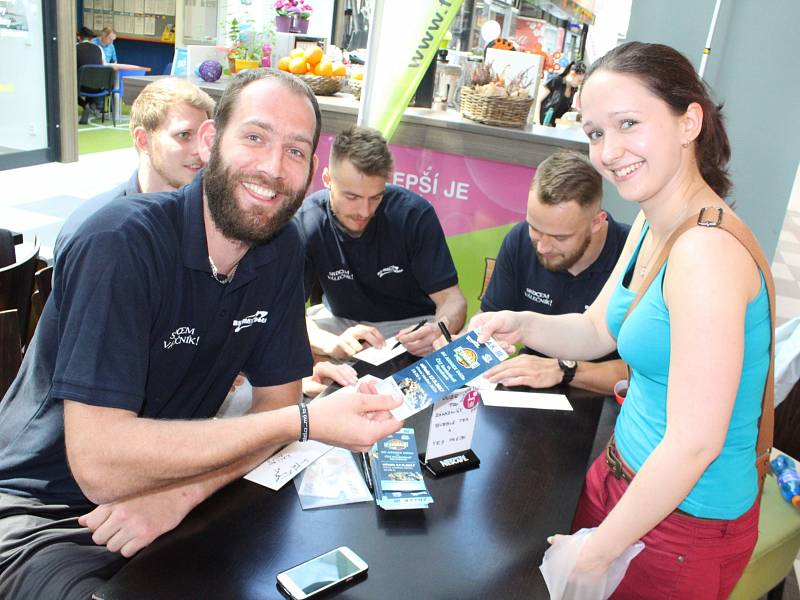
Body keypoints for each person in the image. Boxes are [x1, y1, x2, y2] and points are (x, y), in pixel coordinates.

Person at [0, 68, 403, 600]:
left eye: (295, 151)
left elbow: (273, 409)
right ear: (211, 141)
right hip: (43, 515)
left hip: (174, 492)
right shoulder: (120, 244)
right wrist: (305, 421)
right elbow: (100, 462)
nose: (272, 167)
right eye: (255, 137)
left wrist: (180, 495)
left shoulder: (279, 250)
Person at [475, 41, 771, 599]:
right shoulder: (652, 223)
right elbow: (595, 329)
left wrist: (602, 547)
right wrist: (518, 322)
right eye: (594, 133)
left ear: (689, 121)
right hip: (620, 478)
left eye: (628, 123)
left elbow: (694, 443)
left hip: (684, 522)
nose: (609, 151)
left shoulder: (706, 252)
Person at [295, 126, 467, 359]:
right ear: (327, 180)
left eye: (376, 197)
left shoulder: (413, 215)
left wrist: (440, 329)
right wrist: (330, 344)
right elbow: (285, 311)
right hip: (339, 325)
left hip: (409, 328)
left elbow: (452, 299)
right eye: (352, 197)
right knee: (283, 349)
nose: (364, 211)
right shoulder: (308, 220)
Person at [480, 150, 629, 394]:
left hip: (605, 399)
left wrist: (563, 369)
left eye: (561, 237)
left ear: (596, 222)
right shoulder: (519, 240)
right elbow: (491, 326)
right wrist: (460, 349)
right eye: (535, 228)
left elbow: (641, 376)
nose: (543, 247)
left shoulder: (631, 255)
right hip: (530, 386)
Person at [57, 77, 214, 255]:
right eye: (184, 135)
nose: (200, 150)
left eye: (205, 137)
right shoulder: (98, 234)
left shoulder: (215, 219)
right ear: (143, 140)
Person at [537, 61, 586, 126]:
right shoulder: (555, 81)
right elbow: (538, 101)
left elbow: (566, 108)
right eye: (579, 80)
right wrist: (537, 123)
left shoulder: (573, 89)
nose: (579, 84)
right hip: (542, 124)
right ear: (572, 74)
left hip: (555, 128)